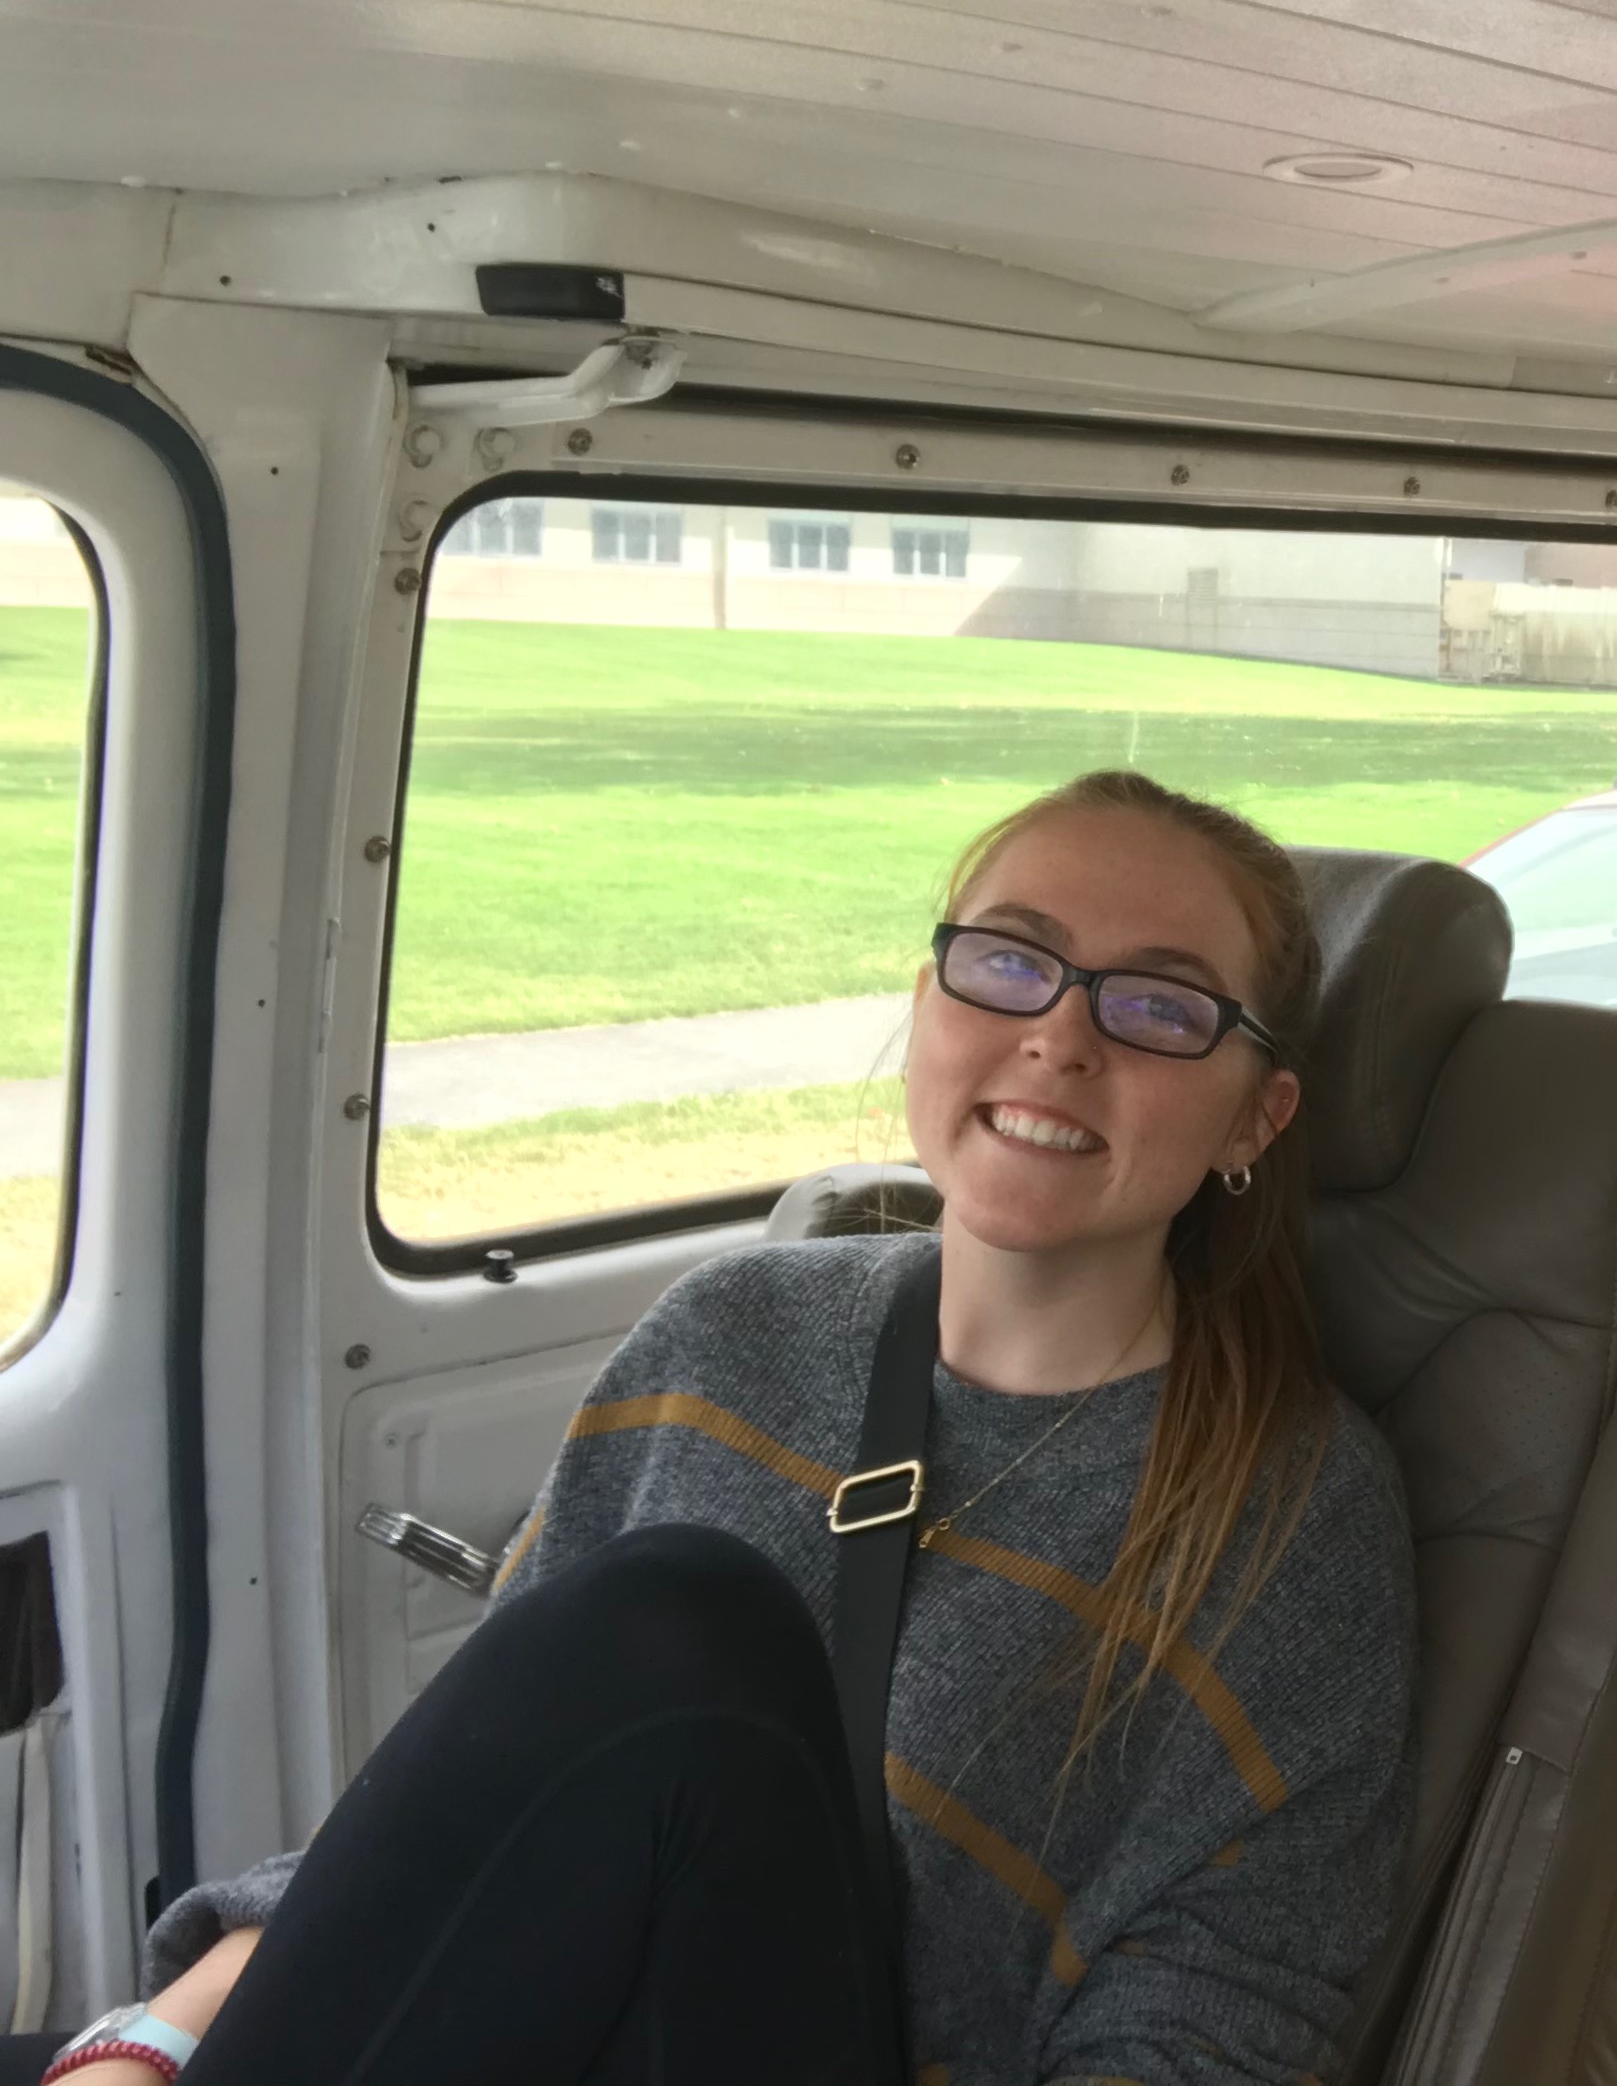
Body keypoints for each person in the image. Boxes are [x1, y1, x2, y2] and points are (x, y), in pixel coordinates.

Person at [49, 771, 1414, 2086]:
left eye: (1162, 1006)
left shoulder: (1293, 1520)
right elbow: (465, 1812)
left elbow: (1222, 2015)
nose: (1060, 1036)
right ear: (929, 1003)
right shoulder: (730, 1334)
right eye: (1010, 961)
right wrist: (150, 2042)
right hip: (522, 2030)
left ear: (1256, 1117)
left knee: (678, 1614)